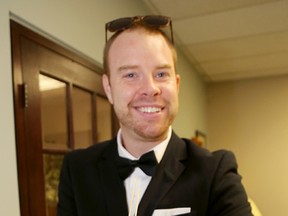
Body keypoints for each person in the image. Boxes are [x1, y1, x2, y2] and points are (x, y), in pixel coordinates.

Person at [57, 15, 252, 216]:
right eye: (131, 75)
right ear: (108, 88)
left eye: (161, 74)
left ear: (176, 85)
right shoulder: (77, 169)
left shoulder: (215, 172)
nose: (150, 89)